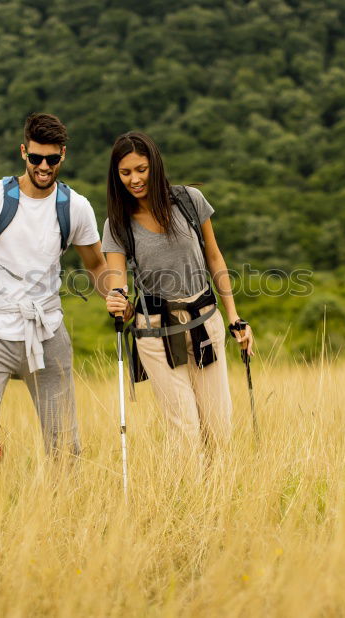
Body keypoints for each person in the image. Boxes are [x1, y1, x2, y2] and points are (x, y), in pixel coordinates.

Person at [0, 113, 107, 472]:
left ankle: (64, 517)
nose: (44, 166)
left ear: (63, 155)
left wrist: (115, 296)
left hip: (47, 331)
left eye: (51, 159)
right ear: (23, 153)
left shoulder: (75, 207)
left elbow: (96, 265)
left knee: (64, 446)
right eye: (36, 158)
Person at [101, 131, 254, 462]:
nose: (135, 179)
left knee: (219, 427)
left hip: (204, 322)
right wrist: (118, 300)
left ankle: (222, 507)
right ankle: (188, 508)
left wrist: (235, 317)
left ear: (154, 164)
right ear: (116, 176)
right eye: (125, 173)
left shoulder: (189, 200)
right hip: (156, 332)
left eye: (141, 169)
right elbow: (117, 279)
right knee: (184, 430)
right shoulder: (118, 224)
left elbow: (214, 257)